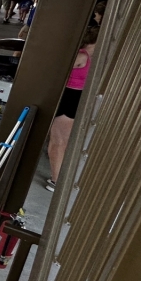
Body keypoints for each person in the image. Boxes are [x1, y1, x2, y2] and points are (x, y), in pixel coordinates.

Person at [45, 25, 99, 192]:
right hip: (70, 98)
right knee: (60, 142)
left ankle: (57, 179)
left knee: (61, 141)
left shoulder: (87, 56)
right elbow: (58, 71)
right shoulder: (82, 56)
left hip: (72, 99)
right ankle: (56, 179)